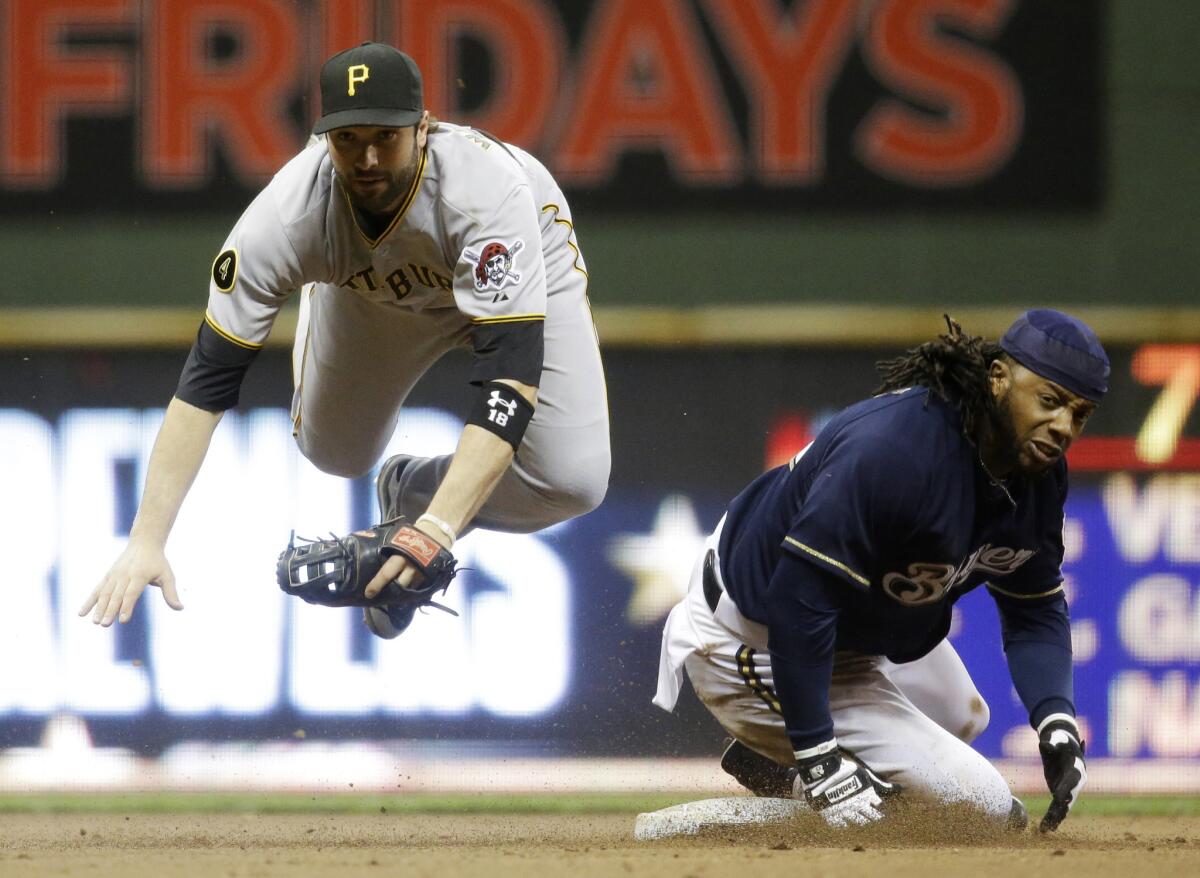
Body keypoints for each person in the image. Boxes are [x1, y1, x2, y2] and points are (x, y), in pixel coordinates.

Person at [80, 42, 610, 638]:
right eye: (348, 138)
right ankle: (397, 480)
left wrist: (432, 529)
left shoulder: (488, 193)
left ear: (424, 127)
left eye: (385, 135)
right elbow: (206, 383)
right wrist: (147, 539)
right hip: (374, 293)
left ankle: (415, 494)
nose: (367, 157)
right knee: (335, 453)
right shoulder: (285, 216)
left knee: (575, 482)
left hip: (518, 259)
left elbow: (509, 383)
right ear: (324, 138)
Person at [654, 310, 1105, 831]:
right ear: (998, 377)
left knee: (963, 716)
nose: (1063, 427)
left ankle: (775, 761)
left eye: (1080, 413)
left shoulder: (1038, 477)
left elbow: (1035, 607)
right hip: (754, 638)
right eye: (1049, 401)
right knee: (982, 816)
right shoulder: (896, 452)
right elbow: (798, 602)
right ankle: (707, 825)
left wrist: (1058, 721)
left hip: (853, 627)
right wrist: (818, 754)